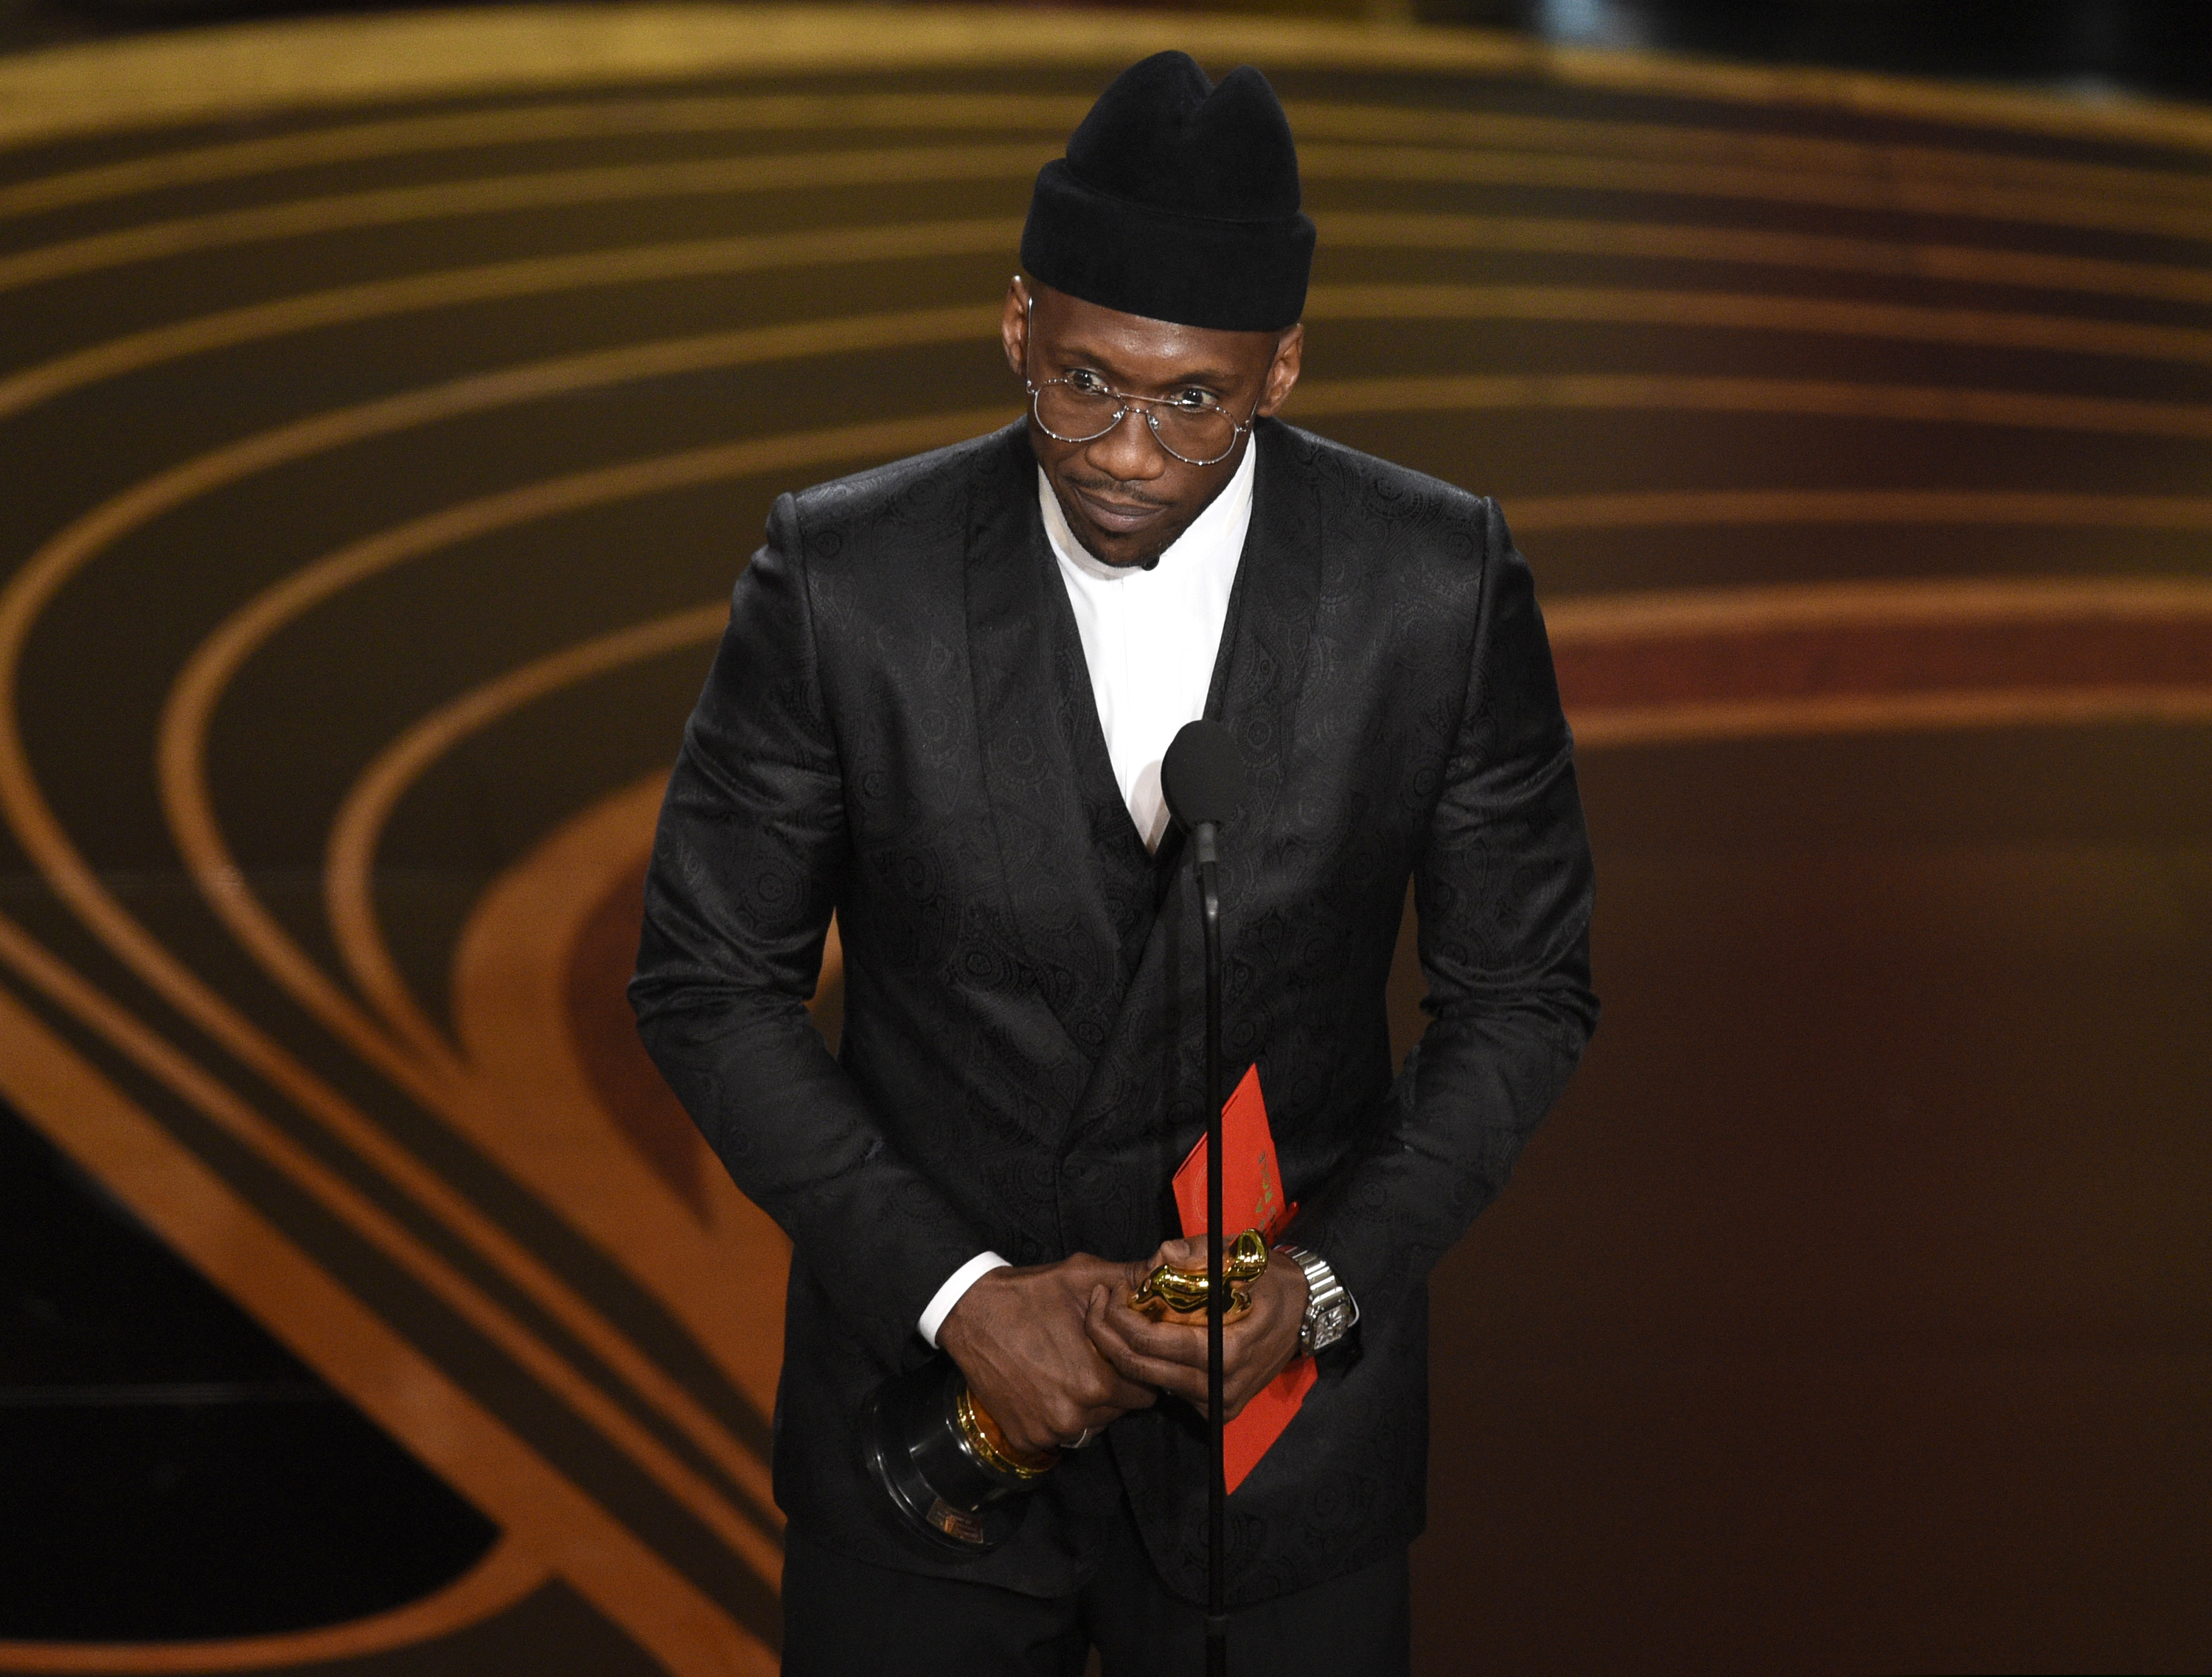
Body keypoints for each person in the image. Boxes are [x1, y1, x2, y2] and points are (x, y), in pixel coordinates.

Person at [631, 49, 1597, 1676]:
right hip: (927, 1433)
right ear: (1019, 327)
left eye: (1190, 402)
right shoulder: (841, 576)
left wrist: (1334, 1282)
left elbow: (1525, 995)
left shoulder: (1436, 584)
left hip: (1285, 1459)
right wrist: (962, 1299)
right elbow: (707, 983)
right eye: (1081, 382)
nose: (1126, 450)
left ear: (1281, 369)